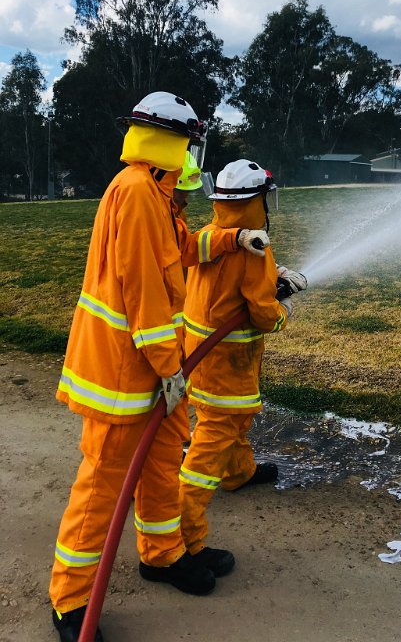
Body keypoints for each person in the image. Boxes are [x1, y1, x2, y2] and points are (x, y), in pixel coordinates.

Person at [49, 95, 271, 642]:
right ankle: (70, 600)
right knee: (102, 489)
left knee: (162, 466)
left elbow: (183, 249)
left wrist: (233, 238)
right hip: (124, 376)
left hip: (157, 371)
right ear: (173, 143)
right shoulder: (136, 193)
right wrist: (171, 368)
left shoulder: (157, 195)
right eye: (191, 143)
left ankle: (164, 554)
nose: (195, 155)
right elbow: (143, 291)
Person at [179, 159, 307, 569]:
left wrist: (275, 274)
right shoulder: (254, 250)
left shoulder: (211, 235)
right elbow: (263, 315)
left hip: (198, 354)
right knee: (215, 434)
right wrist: (284, 306)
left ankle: (239, 473)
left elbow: (229, 280)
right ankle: (182, 534)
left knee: (233, 420)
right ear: (259, 200)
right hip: (228, 362)